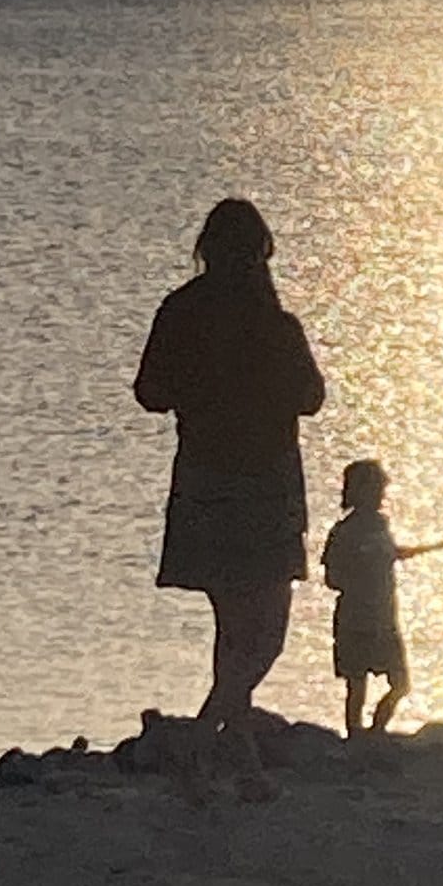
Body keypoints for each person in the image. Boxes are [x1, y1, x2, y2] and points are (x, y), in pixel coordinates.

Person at [133, 198, 324, 797]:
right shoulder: (274, 325)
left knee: (234, 630)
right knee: (264, 635)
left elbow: (149, 391)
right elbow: (312, 398)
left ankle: (237, 759)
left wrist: (200, 392)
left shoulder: (181, 312)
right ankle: (202, 740)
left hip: (205, 484)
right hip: (263, 488)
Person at [321, 460, 443, 739]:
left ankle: (377, 731)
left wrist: (433, 547)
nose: (382, 494)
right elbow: (332, 578)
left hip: (383, 617)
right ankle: (356, 737)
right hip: (355, 617)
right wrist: (361, 569)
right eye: (377, 488)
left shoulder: (381, 526)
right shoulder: (343, 531)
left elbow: (393, 553)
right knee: (357, 684)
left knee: (400, 684)